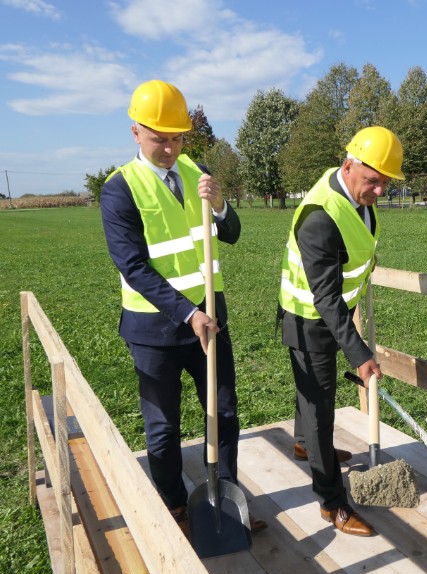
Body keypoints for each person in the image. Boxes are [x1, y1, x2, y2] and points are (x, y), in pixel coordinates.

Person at [100, 80, 265, 534]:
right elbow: (133, 266)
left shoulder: (199, 172)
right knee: (163, 428)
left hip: (211, 322)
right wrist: (188, 313)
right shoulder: (120, 190)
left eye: (177, 138)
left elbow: (230, 233)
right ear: (136, 132)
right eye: (160, 139)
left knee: (225, 412)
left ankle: (227, 500)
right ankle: (174, 506)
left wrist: (220, 205)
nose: (170, 148)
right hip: (157, 331)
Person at [277, 126, 405, 537]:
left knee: (313, 402)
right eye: (373, 181)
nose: (380, 191)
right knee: (320, 409)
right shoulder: (319, 217)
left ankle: (303, 444)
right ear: (348, 166)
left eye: (386, 182)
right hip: (307, 321)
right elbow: (325, 299)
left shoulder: (358, 197)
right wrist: (361, 354)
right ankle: (331, 503)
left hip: (332, 314)